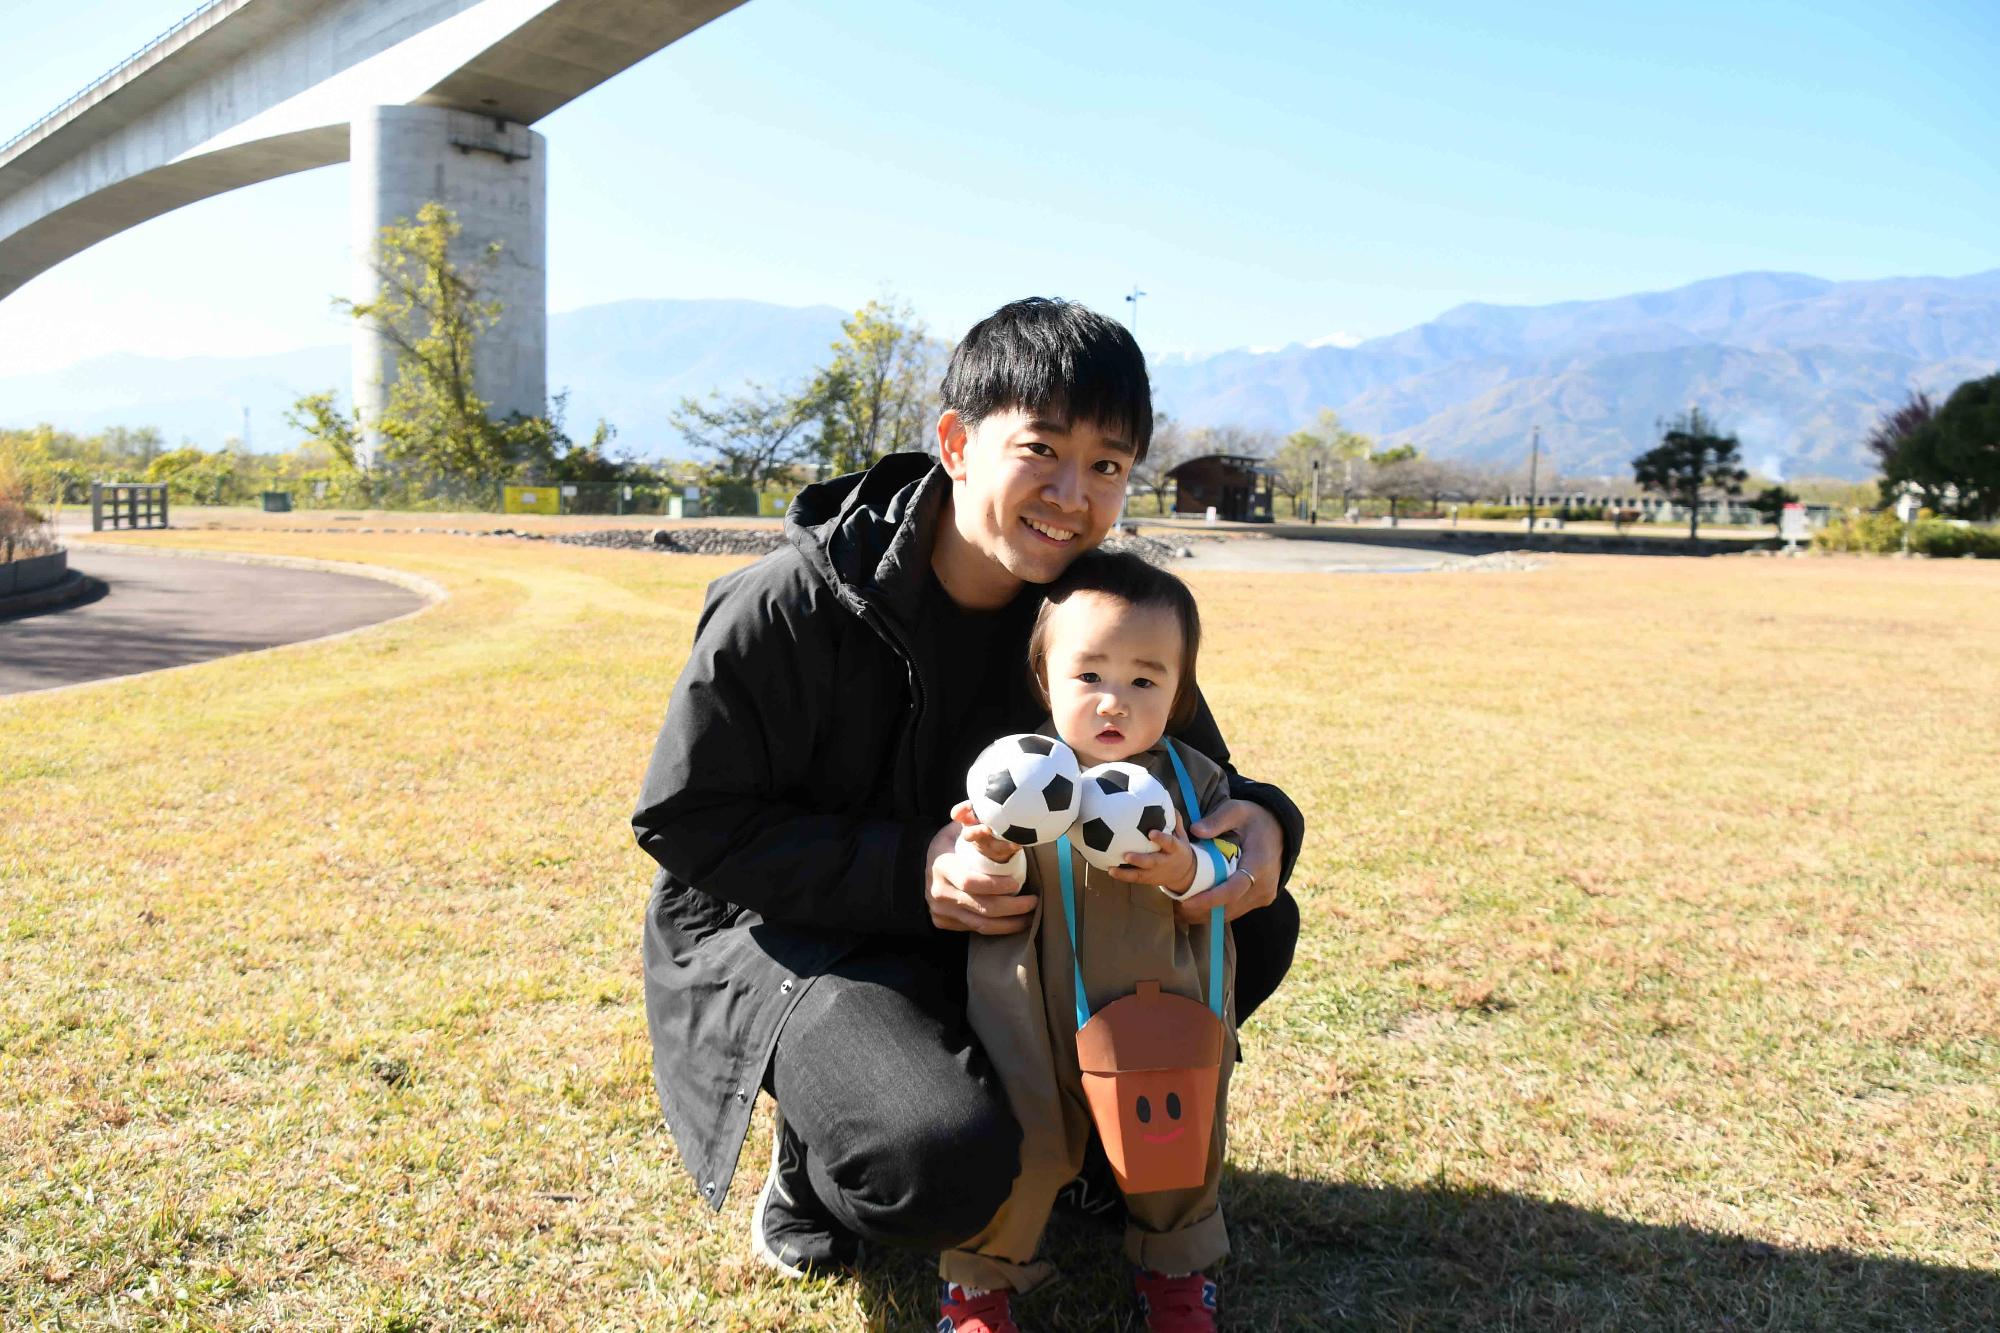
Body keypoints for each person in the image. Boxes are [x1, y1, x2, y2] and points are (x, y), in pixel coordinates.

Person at [632, 298, 1304, 1285]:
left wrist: (1265, 824)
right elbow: (684, 818)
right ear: (954, 441)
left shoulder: (1089, 609)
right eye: (1041, 449)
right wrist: (913, 869)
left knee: (1256, 924)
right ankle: (816, 1166)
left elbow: (1189, 773)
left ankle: (1076, 1132)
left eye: (1108, 465)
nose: (1072, 494)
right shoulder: (795, 602)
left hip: (1013, 931)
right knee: (937, 1158)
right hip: (809, 934)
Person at [939, 550, 1242, 1332]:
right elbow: (970, 865)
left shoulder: (1192, 780)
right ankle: (979, 1283)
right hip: (1028, 1013)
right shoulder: (1020, 774)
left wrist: (1187, 862)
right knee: (1025, 1140)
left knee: (1174, 1139)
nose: (1115, 700)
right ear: (1046, 679)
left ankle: (1177, 1271)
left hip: (1159, 1007)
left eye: (1145, 679)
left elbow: (1232, 862)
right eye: (1089, 676)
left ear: (1179, 692)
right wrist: (991, 852)